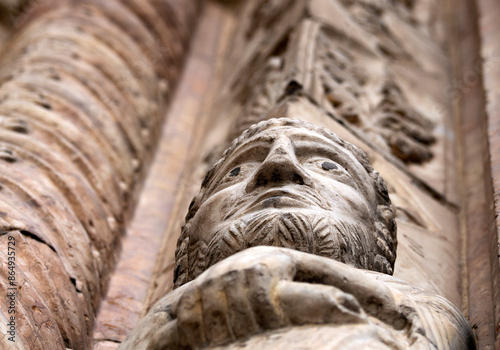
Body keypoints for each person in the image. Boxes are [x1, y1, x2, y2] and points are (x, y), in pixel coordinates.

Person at [120, 118, 475, 350]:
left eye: (328, 166)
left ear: (379, 227)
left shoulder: (414, 304)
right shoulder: (157, 321)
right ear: (186, 238)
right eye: (237, 171)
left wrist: (279, 264)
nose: (278, 165)